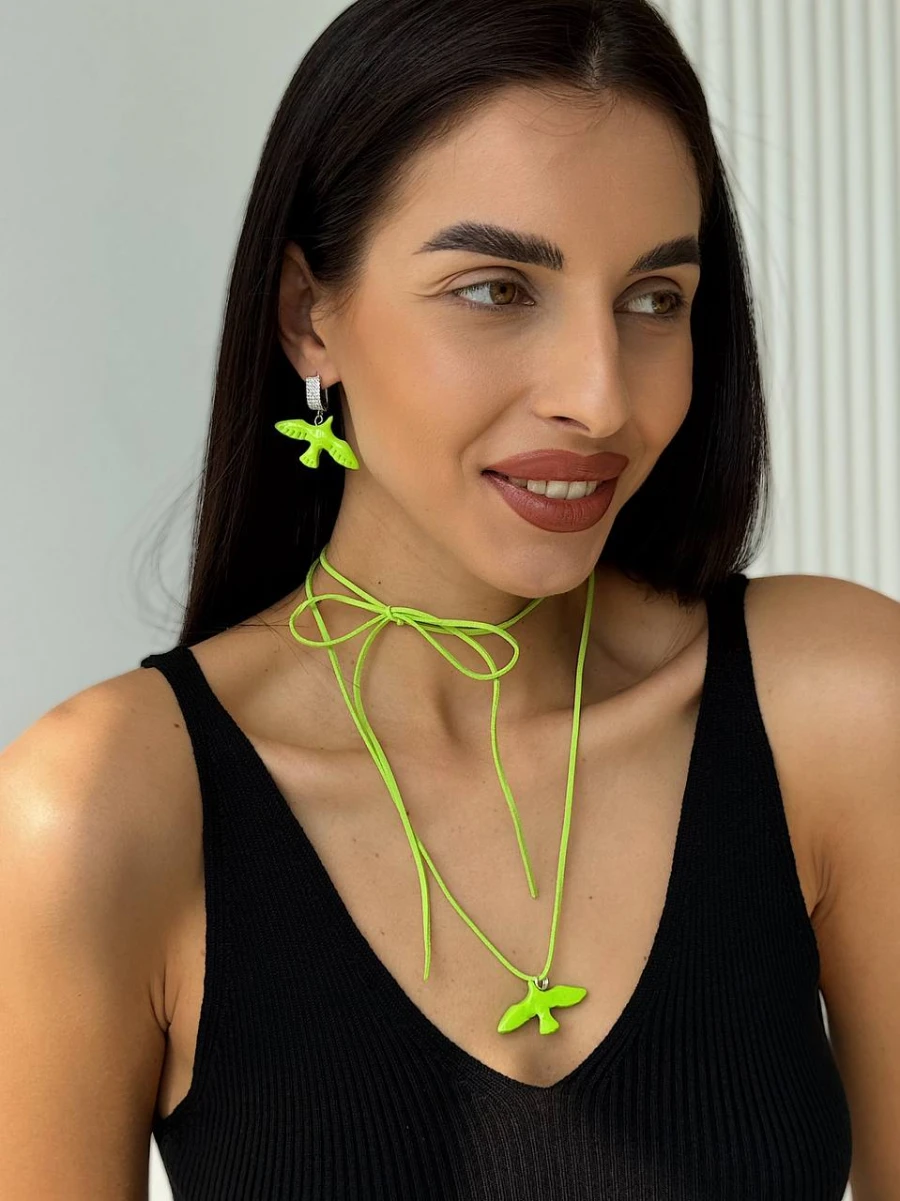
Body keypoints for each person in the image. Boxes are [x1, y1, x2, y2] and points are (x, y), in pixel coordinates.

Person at [5, 0, 900, 1196]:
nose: (599, 398)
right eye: (495, 289)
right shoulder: (98, 815)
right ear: (308, 315)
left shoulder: (841, 708)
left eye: (654, 299)